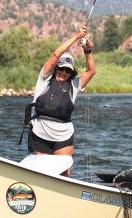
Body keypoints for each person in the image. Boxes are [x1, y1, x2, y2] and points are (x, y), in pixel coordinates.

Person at [27, 23, 95, 173]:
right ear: (56, 67)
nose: (64, 72)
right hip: (39, 132)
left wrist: (87, 51)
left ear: (71, 73)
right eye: (61, 68)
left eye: (68, 71)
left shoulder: (74, 85)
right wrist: (76, 37)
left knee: (64, 173)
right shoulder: (44, 79)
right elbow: (55, 55)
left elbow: (91, 71)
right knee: (41, 172)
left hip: (63, 135)